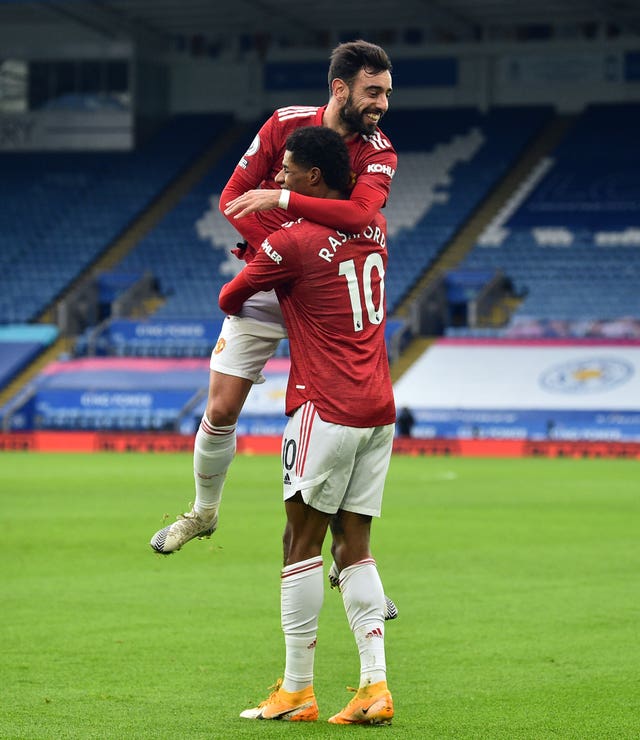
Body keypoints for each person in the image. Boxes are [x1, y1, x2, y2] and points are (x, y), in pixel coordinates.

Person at [149, 41, 396, 615]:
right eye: (373, 92)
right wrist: (279, 255)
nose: (382, 104)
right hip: (271, 280)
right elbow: (233, 199)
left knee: (335, 423)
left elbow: (361, 216)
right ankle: (203, 513)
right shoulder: (284, 123)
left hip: (328, 290)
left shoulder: (380, 151)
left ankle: (351, 560)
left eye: (385, 92)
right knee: (221, 409)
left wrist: (286, 210)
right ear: (340, 89)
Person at [219, 125, 395, 724]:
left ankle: (297, 690)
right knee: (356, 547)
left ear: (312, 177)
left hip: (324, 405)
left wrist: (271, 262)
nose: (280, 178)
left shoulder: (291, 243)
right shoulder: (374, 228)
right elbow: (349, 219)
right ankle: (375, 686)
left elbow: (231, 297)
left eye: (288, 170)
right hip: (378, 409)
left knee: (300, 544)